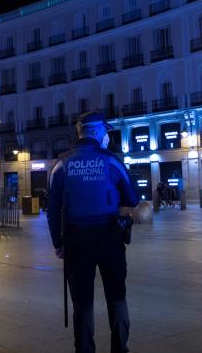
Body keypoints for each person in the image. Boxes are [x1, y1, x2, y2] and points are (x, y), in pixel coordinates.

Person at [48, 112, 139, 353]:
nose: (107, 136)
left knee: (82, 302)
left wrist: (58, 242)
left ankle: (85, 349)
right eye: (106, 132)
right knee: (117, 296)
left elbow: (53, 210)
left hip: (76, 241)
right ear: (97, 132)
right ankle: (120, 347)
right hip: (110, 237)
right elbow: (133, 197)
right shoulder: (111, 161)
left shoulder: (61, 165)